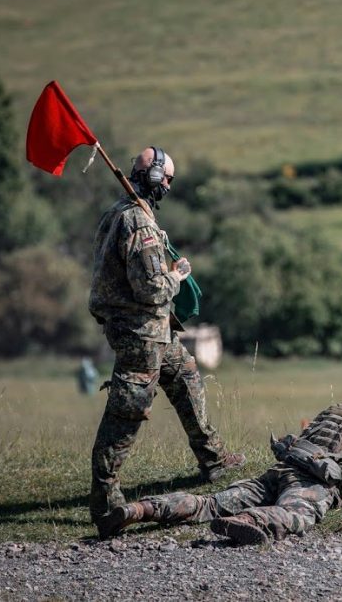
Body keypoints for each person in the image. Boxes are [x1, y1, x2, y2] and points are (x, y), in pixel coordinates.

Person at [88, 145, 244, 538]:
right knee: (127, 413)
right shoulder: (139, 221)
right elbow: (151, 290)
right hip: (141, 332)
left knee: (187, 374)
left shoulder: (119, 213)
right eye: (168, 178)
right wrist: (177, 274)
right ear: (155, 178)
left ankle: (214, 460)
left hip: (153, 332)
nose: (170, 186)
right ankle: (105, 498)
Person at [98, 371, 342, 545]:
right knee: (296, 515)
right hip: (313, 482)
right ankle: (251, 521)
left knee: (210, 503)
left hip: (281, 470)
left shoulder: (335, 411)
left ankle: (141, 509)